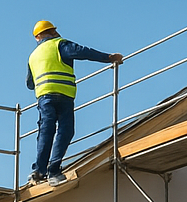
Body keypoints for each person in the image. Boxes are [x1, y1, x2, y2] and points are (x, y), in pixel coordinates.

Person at [26, 20, 122, 186]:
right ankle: (54, 171)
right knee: (65, 130)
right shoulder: (60, 44)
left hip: (44, 98)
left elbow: (29, 83)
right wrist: (108, 58)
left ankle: (38, 171)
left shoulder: (33, 56)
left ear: (37, 37)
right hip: (64, 96)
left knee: (46, 132)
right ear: (53, 32)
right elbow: (83, 52)